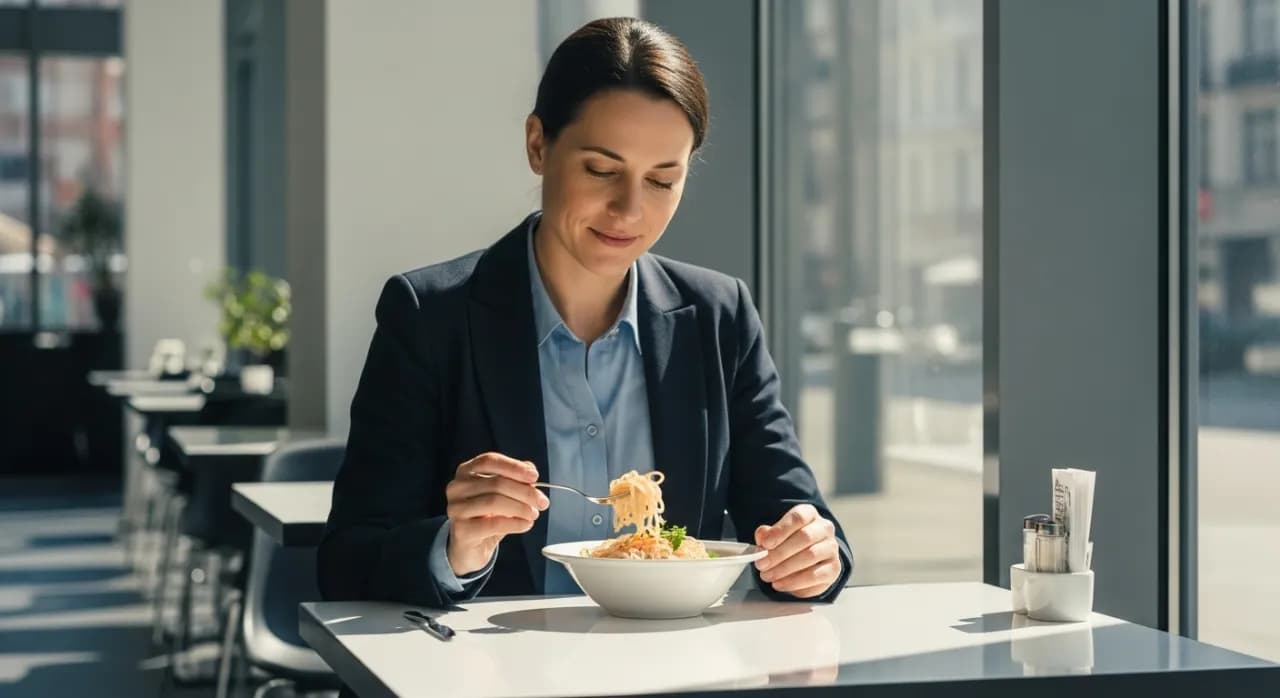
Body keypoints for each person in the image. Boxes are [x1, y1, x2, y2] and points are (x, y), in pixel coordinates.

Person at [318, 16, 852, 608]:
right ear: (538, 145)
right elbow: (346, 562)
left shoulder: (718, 316)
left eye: (662, 181)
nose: (629, 209)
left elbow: (794, 518)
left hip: (671, 656)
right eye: (601, 170)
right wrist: (455, 547)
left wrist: (811, 556)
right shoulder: (429, 316)